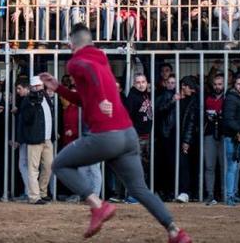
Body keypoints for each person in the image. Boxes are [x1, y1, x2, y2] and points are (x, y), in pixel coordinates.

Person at [42, 24, 191, 243]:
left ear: (71, 44)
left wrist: (102, 98)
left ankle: (97, 205)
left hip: (105, 136)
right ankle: (175, 231)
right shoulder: (101, 58)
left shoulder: (76, 62)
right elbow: (85, 98)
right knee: (140, 189)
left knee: (59, 165)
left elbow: (89, 72)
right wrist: (59, 88)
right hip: (128, 136)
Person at [20, 75, 56, 205]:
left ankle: (42, 192)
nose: (37, 88)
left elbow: (50, 116)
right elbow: (26, 119)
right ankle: (34, 196)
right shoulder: (27, 100)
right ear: (31, 87)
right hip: (35, 138)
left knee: (48, 166)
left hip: (47, 138)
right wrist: (33, 104)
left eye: (39, 86)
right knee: (33, 168)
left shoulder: (46, 97)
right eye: (35, 86)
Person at [221, 74, 240, 206]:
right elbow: (228, 119)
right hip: (233, 139)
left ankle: (234, 193)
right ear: (235, 85)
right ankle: (230, 196)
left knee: (236, 168)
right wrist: (238, 133)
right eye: (239, 84)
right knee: (232, 168)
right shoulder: (231, 99)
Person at [201, 73, 224, 206]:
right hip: (209, 134)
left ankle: (224, 193)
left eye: (220, 84)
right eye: (215, 84)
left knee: (223, 166)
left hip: (224, 135)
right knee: (209, 166)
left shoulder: (228, 98)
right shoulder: (206, 97)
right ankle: (210, 193)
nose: (217, 87)